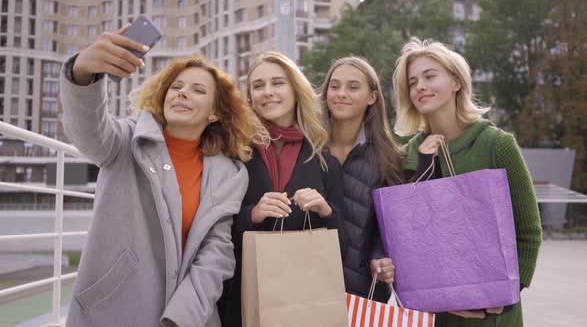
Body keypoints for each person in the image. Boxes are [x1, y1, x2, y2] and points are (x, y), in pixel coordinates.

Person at [60, 25, 268, 327]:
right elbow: (88, 130)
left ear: (215, 114)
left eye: (198, 90)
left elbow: (217, 253)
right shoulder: (126, 140)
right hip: (111, 311)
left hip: (187, 317)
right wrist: (82, 72)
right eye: (177, 87)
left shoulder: (229, 175)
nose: (183, 93)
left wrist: (181, 318)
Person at [393, 37, 542, 327]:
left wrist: (504, 295)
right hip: (430, 313)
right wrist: (425, 165)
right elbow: (409, 238)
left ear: (456, 82)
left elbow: (528, 231)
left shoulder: (496, 145)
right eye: (412, 82)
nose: (420, 86)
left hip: (492, 311)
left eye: (430, 76)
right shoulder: (406, 156)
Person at [219, 51, 346, 326]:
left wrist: (326, 210)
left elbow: (344, 243)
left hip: (307, 298)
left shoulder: (323, 158)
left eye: (277, 83)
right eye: (258, 85)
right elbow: (211, 229)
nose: (267, 92)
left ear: (295, 89)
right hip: (242, 294)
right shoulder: (234, 152)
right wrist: (251, 215)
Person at [319, 57, 404, 302]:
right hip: (307, 285)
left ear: (372, 97)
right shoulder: (307, 148)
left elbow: (386, 226)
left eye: (353, 87)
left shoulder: (388, 157)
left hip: (362, 292)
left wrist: (380, 258)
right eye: (334, 86)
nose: (341, 94)